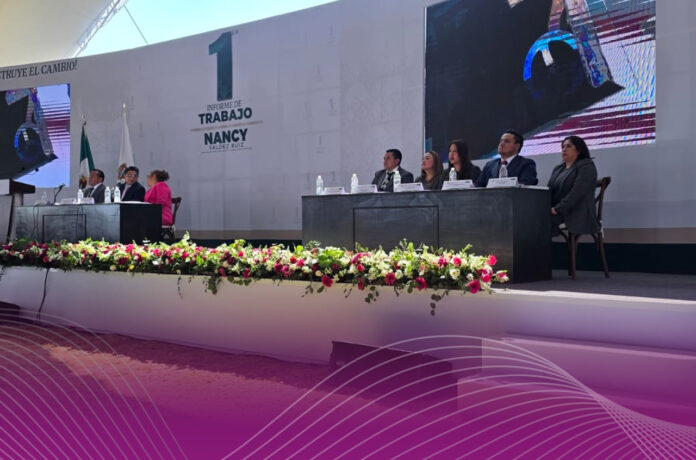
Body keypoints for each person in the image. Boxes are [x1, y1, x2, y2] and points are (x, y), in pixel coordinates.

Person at [548, 135, 600, 236]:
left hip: (576, 213)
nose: (564, 149)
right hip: (557, 211)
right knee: (531, 215)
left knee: (541, 220)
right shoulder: (558, 169)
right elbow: (549, 191)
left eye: (568, 146)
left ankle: (539, 246)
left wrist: (558, 209)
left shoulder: (586, 166)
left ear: (578, 150)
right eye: (563, 147)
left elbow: (577, 193)